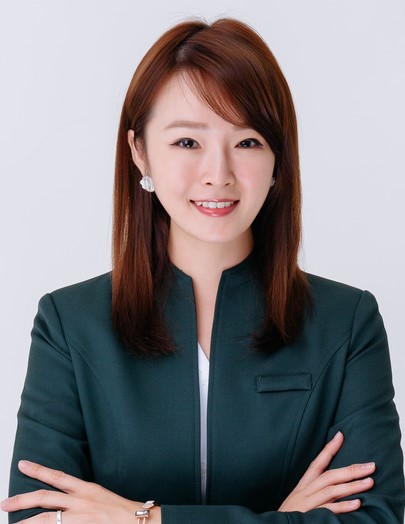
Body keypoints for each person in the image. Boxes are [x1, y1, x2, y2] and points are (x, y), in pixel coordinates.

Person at [2, 17, 404, 524]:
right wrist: (284, 519)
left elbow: (374, 518)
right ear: (140, 151)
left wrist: (141, 519)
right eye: (187, 143)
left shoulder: (347, 324)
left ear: (278, 158)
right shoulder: (68, 325)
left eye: (248, 142)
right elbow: (37, 518)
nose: (218, 174)